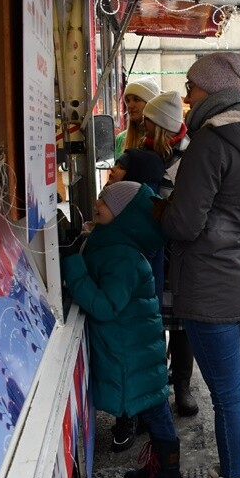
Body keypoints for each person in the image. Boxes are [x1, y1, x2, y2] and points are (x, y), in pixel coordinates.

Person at [157, 51, 240, 478]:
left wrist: (160, 211)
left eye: (191, 87)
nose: (186, 98)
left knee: (229, 395)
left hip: (212, 284)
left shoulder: (212, 141)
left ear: (213, 88)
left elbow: (185, 224)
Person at [61, 181, 184, 478]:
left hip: (132, 355)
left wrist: (72, 264)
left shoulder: (124, 257)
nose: (98, 201)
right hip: (135, 350)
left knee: (157, 412)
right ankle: (160, 469)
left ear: (125, 215)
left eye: (106, 200)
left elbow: (104, 306)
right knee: (155, 411)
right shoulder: (115, 245)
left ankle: (169, 476)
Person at [103, 148, 170, 451]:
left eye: (119, 166)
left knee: (137, 378)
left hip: (133, 323)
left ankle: (161, 460)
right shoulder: (139, 221)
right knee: (147, 383)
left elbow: (107, 304)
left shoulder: (129, 245)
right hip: (143, 318)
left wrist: (76, 271)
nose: (113, 170)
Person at [141, 91, 200, 416]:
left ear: (161, 125)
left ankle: (183, 388)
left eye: (150, 122)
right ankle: (156, 386)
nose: (145, 127)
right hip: (151, 250)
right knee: (153, 322)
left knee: (179, 325)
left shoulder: (189, 156)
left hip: (179, 252)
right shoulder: (144, 154)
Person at [115, 76, 160, 158]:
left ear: (150, 104)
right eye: (128, 101)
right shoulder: (121, 139)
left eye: (136, 100)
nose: (130, 105)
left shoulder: (160, 139)